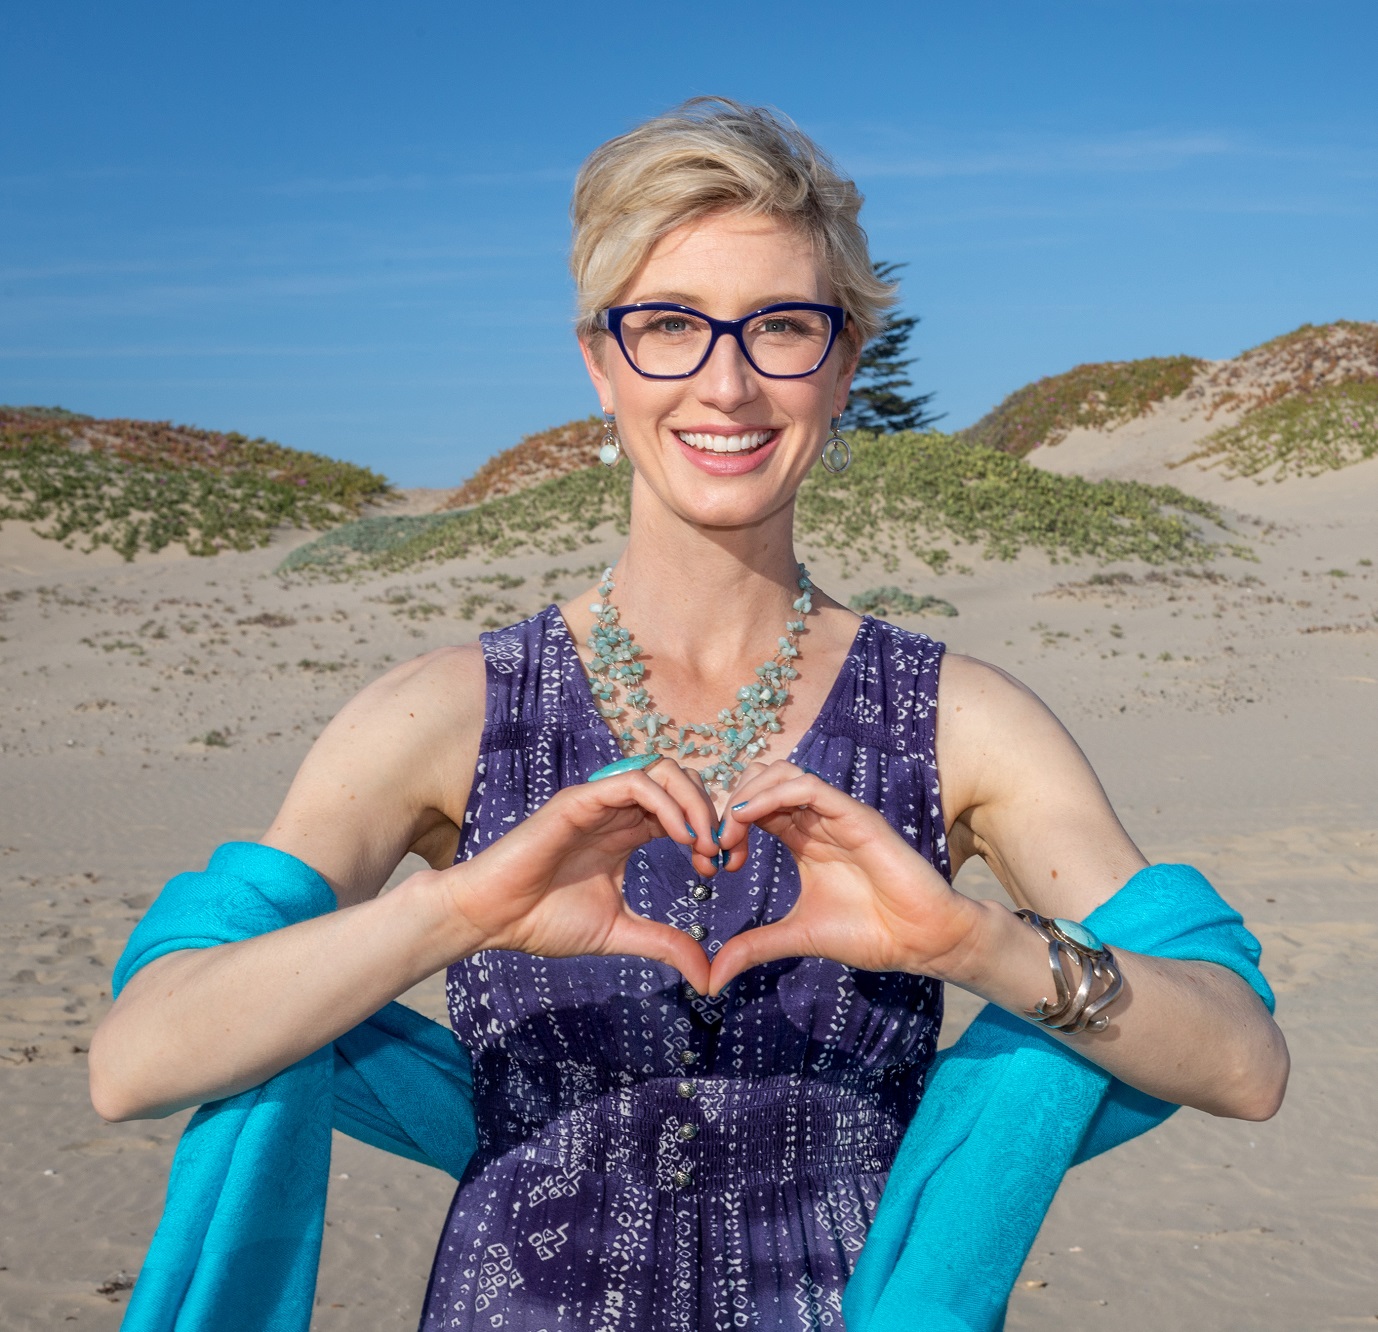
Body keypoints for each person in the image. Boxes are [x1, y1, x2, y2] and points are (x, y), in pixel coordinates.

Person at [89, 97, 1289, 1330]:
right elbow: (139, 1058)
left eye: (782, 327)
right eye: (667, 324)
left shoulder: (960, 719)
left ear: (844, 367)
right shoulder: (445, 714)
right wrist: (453, 912)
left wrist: (967, 946)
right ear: (599, 362)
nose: (726, 382)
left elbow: (1242, 1060)